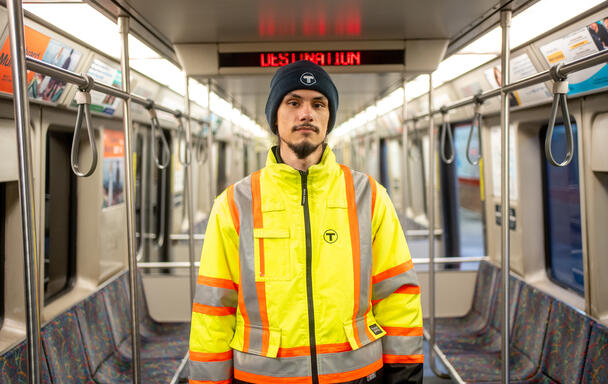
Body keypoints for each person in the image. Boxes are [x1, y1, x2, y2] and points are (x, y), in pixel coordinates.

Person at [189, 60, 423, 384]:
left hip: (356, 374)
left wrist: (405, 373)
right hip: (263, 378)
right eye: (293, 102)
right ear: (275, 116)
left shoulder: (369, 197)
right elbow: (214, 309)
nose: (306, 114)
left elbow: (397, 295)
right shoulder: (233, 204)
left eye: (318, 104)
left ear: (329, 117)